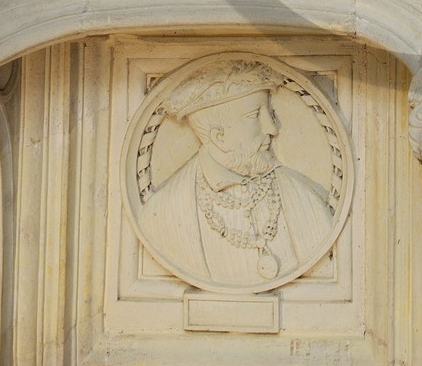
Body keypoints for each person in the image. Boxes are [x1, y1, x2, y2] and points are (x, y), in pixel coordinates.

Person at [141, 59, 334, 287]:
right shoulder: (162, 214)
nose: (272, 128)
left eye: (270, 113)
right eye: (255, 115)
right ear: (218, 136)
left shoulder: (304, 198)